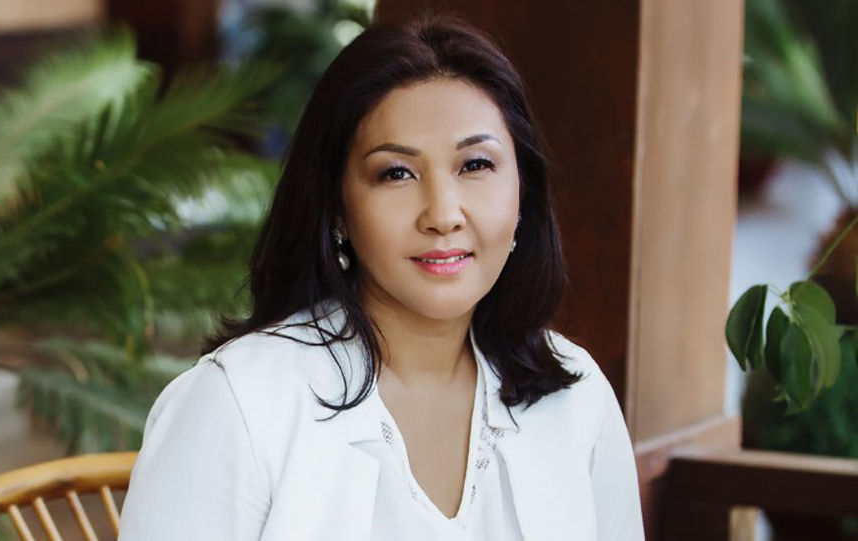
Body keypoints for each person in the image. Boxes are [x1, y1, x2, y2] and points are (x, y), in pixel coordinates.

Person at [118, 14, 645, 541]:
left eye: (475, 165)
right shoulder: (238, 405)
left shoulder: (576, 396)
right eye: (397, 173)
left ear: (523, 190)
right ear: (338, 209)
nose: (443, 214)